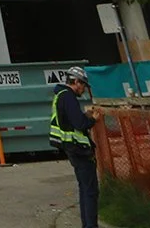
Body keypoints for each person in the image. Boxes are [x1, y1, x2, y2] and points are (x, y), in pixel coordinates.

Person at [49, 66, 99, 228]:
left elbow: (71, 120)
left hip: (72, 148)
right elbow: (79, 124)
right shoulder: (68, 97)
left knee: (85, 189)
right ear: (75, 81)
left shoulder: (60, 95)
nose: (83, 89)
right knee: (90, 191)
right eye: (82, 84)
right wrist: (93, 119)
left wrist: (85, 116)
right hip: (79, 150)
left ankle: (87, 224)